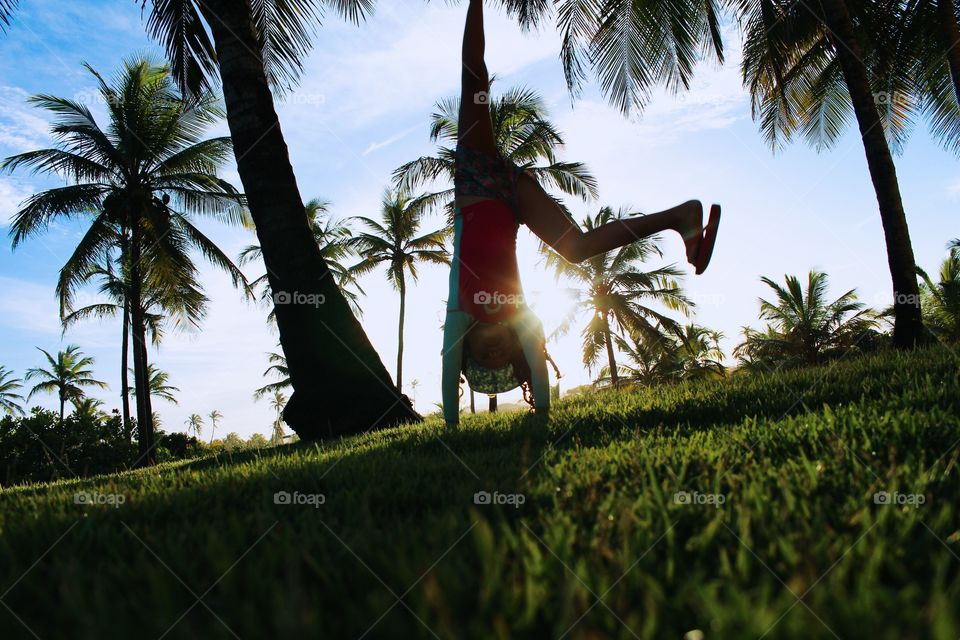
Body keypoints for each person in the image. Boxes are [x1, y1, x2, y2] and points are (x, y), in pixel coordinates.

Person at [441, 0, 722, 427]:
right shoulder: (519, 315)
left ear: (467, 347)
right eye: (502, 360)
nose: (494, 355)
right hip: (513, 196)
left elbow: (447, 380)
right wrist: (542, 416)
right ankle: (680, 217)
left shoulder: (458, 311)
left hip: (476, 181)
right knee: (576, 248)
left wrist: (450, 429)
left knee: (473, 77)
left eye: (484, 355)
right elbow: (536, 362)